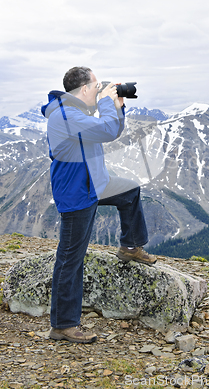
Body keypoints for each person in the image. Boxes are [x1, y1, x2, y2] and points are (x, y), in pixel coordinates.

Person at [41, 66, 156, 344]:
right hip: (78, 194)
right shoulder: (65, 116)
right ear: (83, 90)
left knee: (130, 190)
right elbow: (107, 129)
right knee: (71, 259)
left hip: (96, 184)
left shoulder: (75, 111)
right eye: (96, 85)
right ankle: (63, 325)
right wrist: (106, 101)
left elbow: (111, 129)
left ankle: (130, 246)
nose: (99, 88)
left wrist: (116, 105)